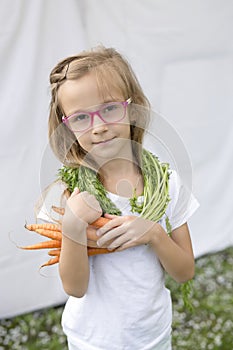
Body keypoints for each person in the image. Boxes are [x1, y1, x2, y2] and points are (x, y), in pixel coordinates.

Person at [47, 46, 199, 350]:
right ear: (66, 126)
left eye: (110, 108)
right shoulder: (68, 192)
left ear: (134, 107)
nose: (99, 127)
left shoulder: (166, 184)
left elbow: (184, 272)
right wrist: (74, 226)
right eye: (80, 118)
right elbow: (75, 288)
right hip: (92, 340)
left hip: (152, 335)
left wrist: (154, 233)